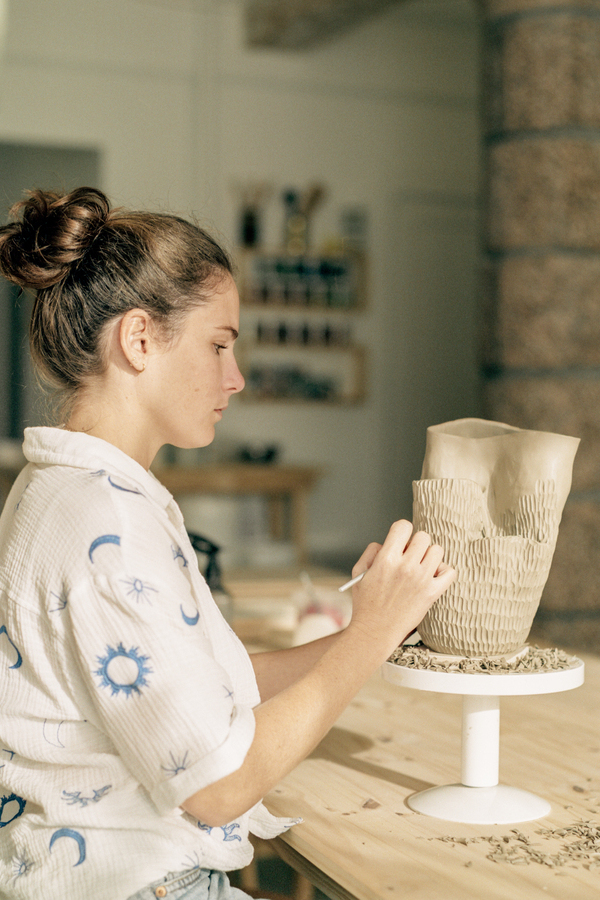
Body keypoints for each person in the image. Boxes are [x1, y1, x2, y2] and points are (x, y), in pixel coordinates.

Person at [0, 187, 456, 900]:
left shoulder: (73, 490)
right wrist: (368, 632)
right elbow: (217, 788)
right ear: (139, 339)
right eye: (218, 345)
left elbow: (210, 683)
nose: (235, 378)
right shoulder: (105, 523)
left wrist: (382, 624)